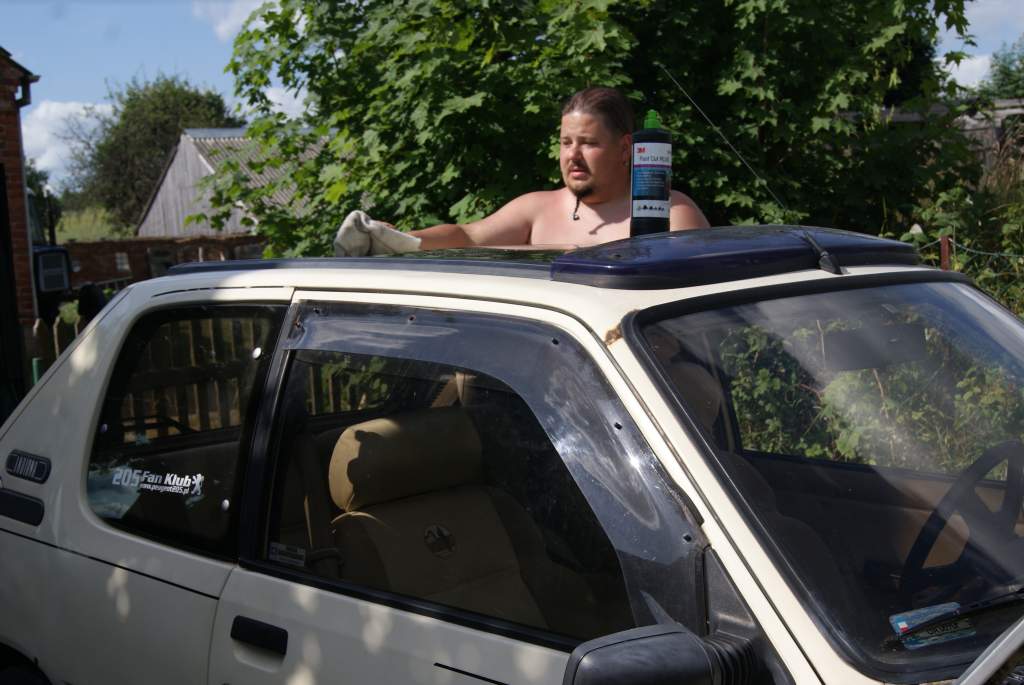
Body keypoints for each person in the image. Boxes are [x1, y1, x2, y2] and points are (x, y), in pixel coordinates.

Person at [333, 87, 709, 256]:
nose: (573, 156)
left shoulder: (667, 212)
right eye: (565, 142)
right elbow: (468, 236)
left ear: (626, 149)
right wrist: (399, 239)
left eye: (588, 143)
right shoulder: (537, 209)